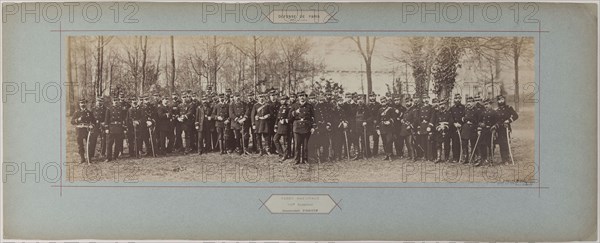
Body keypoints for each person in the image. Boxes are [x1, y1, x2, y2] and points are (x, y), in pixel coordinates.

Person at [289, 91, 315, 164]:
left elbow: (313, 117)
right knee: (297, 145)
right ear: (298, 97)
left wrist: (313, 127)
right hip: (297, 127)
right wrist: (295, 112)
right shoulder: (294, 106)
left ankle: (305, 159)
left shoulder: (309, 106)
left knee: (306, 145)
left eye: (303, 96)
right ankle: (296, 159)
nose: (302, 97)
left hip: (306, 127)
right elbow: (289, 118)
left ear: (305, 97)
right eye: (300, 96)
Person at [494, 94, 519, 164]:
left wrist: (509, 120)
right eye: (499, 100)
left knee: (506, 143)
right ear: (497, 101)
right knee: (501, 143)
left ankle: (507, 159)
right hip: (499, 129)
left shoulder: (508, 108)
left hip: (506, 128)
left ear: (504, 100)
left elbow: (516, 116)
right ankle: (503, 159)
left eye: (502, 99)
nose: (501, 101)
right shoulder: (497, 110)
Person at [71, 99, 95, 163]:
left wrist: (92, 125)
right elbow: (72, 122)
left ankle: (89, 158)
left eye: (84, 103)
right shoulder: (76, 112)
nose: (83, 104)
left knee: (89, 144)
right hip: (79, 130)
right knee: (80, 145)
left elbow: (94, 121)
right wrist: (78, 119)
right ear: (79, 104)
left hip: (87, 130)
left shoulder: (89, 113)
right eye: (81, 103)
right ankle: (82, 158)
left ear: (86, 104)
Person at [476, 99, 498, 166]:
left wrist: (495, 126)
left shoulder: (494, 112)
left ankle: (491, 159)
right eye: (485, 104)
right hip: (484, 130)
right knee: (482, 144)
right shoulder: (483, 113)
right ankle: (483, 159)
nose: (486, 106)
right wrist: (481, 124)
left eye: (487, 104)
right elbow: (479, 121)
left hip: (491, 130)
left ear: (490, 104)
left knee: (491, 145)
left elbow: (498, 122)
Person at [104, 96, 126, 162]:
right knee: (109, 143)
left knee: (118, 143)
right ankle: (108, 157)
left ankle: (115, 156)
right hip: (111, 127)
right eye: (114, 101)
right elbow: (106, 119)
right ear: (112, 102)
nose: (116, 102)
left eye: (117, 101)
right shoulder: (109, 109)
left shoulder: (121, 109)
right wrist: (106, 128)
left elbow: (123, 119)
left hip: (119, 127)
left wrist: (124, 128)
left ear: (118, 101)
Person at [376, 96, 398, 161]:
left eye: (384, 101)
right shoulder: (380, 110)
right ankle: (387, 155)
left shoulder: (390, 109)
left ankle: (390, 155)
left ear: (386, 101)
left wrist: (390, 121)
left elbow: (394, 117)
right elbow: (378, 120)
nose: (383, 103)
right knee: (384, 142)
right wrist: (377, 129)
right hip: (382, 127)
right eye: (382, 102)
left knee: (389, 141)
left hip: (389, 127)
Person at [461, 96, 481, 164]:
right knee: (464, 143)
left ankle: (474, 157)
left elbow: (479, 120)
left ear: (473, 102)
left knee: (473, 143)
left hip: (473, 128)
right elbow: (462, 118)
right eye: (468, 102)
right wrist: (463, 119)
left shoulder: (477, 110)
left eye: (471, 102)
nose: (469, 103)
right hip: (465, 128)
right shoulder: (465, 110)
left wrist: (478, 128)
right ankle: (465, 157)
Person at [432, 99, 453, 163]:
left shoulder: (448, 113)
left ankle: (446, 158)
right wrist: (437, 127)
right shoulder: (437, 113)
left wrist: (446, 126)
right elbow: (435, 122)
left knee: (447, 144)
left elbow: (451, 121)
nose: (442, 106)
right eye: (440, 104)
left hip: (446, 131)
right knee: (438, 144)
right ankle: (439, 157)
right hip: (439, 131)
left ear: (445, 105)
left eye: (443, 104)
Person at [273, 95, 292, 162]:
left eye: (284, 100)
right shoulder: (280, 107)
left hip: (286, 126)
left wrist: (285, 120)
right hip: (279, 126)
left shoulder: (289, 107)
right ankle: (281, 153)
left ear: (286, 100)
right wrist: (275, 125)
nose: (282, 101)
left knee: (286, 142)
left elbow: (290, 117)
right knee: (275, 139)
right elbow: (278, 118)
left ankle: (286, 155)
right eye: (281, 100)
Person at [450, 93, 465, 162]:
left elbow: (465, 116)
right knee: (455, 142)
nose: (457, 100)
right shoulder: (452, 108)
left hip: (462, 127)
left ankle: (463, 157)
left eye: (459, 98)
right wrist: (454, 123)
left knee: (462, 142)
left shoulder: (463, 107)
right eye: (456, 98)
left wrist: (461, 124)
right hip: (454, 128)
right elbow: (450, 117)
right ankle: (455, 157)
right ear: (454, 99)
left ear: (460, 99)